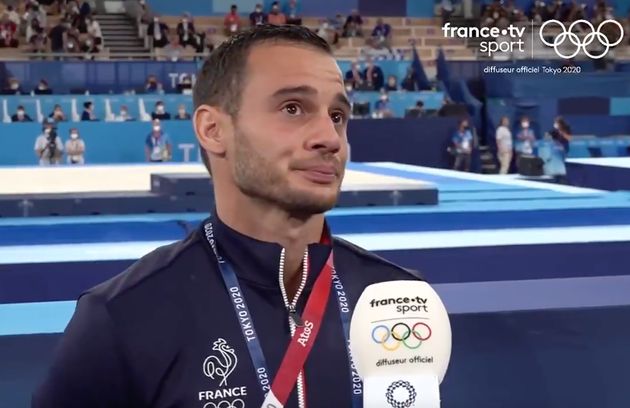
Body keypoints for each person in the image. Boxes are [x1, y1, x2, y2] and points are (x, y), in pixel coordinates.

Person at [33, 24, 425, 408]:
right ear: (213, 129)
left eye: (337, 115)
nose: (330, 137)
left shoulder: (397, 298)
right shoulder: (122, 319)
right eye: (293, 108)